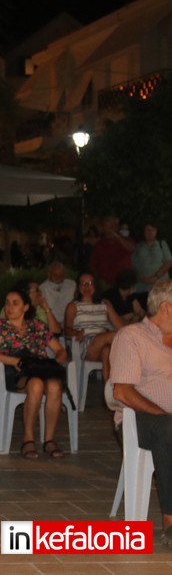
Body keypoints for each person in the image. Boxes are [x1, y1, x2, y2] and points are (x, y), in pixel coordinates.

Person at [110, 279, 172, 547]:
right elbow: (122, 391)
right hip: (140, 419)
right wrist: (164, 414)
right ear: (166, 307)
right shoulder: (132, 337)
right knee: (169, 429)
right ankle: (170, 520)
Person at [0, 287, 69, 459]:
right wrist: (13, 361)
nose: (9, 307)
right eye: (7, 303)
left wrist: (53, 363)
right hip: (14, 371)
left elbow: (61, 351)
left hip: (37, 368)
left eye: (15, 303)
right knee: (36, 384)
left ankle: (49, 439)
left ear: (26, 307)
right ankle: (28, 439)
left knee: (54, 385)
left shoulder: (37, 326)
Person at [90, 216, 136, 288]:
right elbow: (93, 266)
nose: (109, 230)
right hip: (106, 285)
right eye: (106, 227)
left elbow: (132, 249)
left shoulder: (126, 240)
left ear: (117, 227)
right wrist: (98, 281)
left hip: (124, 284)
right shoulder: (99, 244)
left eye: (111, 227)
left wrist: (117, 237)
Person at [133, 223, 172, 300]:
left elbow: (169, 262)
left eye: (153, 230)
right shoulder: (138, 246)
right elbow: (132, 265)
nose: (150, 232)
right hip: (142, 288)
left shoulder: (162, 244)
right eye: (147, 230)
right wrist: (141, 278)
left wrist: (155, 277)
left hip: (160, 287)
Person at [39, 261, 76, 330]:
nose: (58, 277)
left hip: (69, 323)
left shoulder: (71, 284)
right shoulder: (42, 288)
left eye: (61, 275)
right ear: (49, 274)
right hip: (51, 323)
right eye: (55, 275)